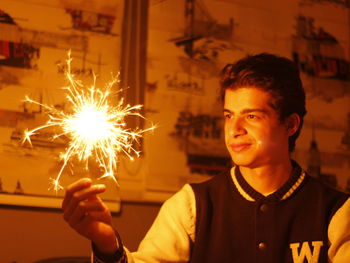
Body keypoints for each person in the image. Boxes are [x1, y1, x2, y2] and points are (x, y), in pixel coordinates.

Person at [62, 53, 350, 263]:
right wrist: (106, 243)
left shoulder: (336, 212)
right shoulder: (191, 206)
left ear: (290, 125)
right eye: (229, 116)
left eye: (251, 116)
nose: (235, 130)